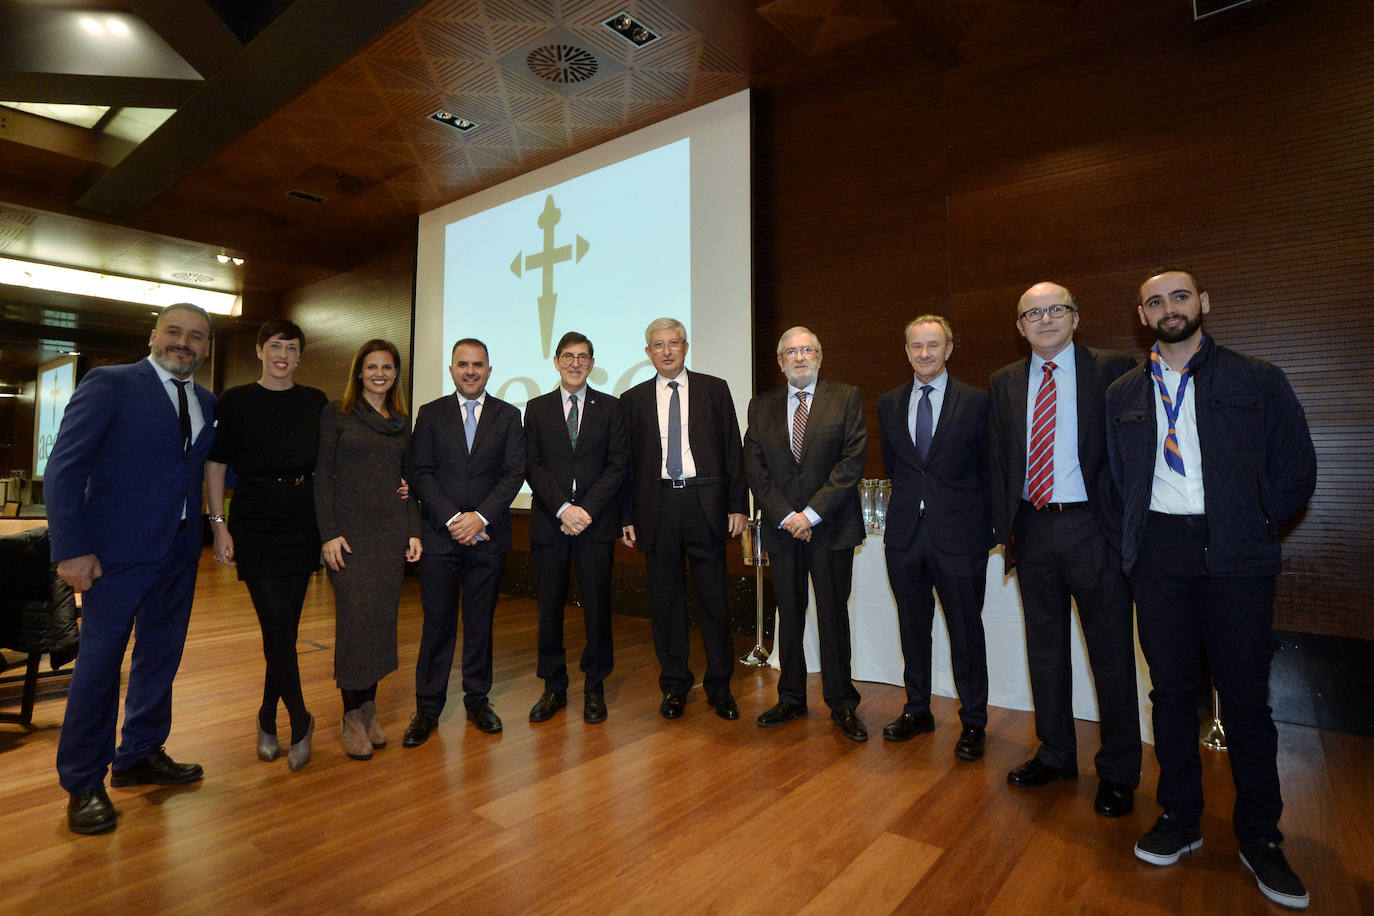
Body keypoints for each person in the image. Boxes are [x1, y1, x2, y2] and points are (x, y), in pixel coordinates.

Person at [1107, 269, 1315, 910]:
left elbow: (1295, 467)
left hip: (1238, 557)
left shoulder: (1258, 379)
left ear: (1203, 304)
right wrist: (1137, 545)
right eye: (1155, 302)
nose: (1168, 309)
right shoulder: (1121, 393)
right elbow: (1117, 479)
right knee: (1169, 694)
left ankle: (1260, 837)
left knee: (1247, 701)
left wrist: (1251, 521)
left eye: (1179, 297)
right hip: (1160, 557)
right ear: (1142, 315)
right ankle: (1180, 817)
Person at [45, 303, 215, 835]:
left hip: (179, 554)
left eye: (195, 337)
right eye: (174, 332)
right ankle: (82, 782)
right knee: (98, 668)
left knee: (159, 660)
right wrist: (70, 548)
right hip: (112, 557)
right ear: (153, 335)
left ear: (206, 347)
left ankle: (140, 753)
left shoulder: (208, 402)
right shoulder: (109, 383)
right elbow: (65, 467)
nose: (183, 343)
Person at [987, 282, 1141, 817]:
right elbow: (999, 462)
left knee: (1112, 655)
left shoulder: (1115, 368)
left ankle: (1119, 771)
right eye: (1033, 313)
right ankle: (1055, 753)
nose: (1045, 319)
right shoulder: (1004, 381)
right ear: (1020, 325)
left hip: (1093, 529)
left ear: (1075, 317)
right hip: (1032, 530)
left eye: (1055, 310)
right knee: (1045, 649)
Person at [205, 319, 327, 771]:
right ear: (259, 350)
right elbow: (215, 466)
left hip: (301, 518)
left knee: (284, 630)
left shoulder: (315, 402)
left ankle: (266, 717)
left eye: (292, 348)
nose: (283, 355)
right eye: (275, 345)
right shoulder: (235, 401)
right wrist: (219, 525)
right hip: (254, 518)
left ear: (300, 357)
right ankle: (299, 717)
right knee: (274, 624)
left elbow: (334, 462)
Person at [620, 318, 748, 721]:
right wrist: (627, 516)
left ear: (686, 347)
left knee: (714, 599)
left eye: (673, 343)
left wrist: (738, 505)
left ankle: (720, 686)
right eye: (658, 345)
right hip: (656, 508)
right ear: (648, 353)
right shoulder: (632, 399)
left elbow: (733, 448)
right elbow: (626, 465)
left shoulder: (714, 388)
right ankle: (674, 685)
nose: (667, 351)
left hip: (705, 505)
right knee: (666, 603)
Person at [744, 327, 868, 741]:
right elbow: (755, 469)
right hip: (782, 531)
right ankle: (791, 697)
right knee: (790, 617)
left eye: (807, 350)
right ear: (780, 362)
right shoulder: (760, 407)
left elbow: (851, 463)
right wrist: (786, 516)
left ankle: (842, 703)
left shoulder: (846, 397)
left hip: (831, 528)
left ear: (819, 356)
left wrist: (811, 514)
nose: (799, 357)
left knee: (833, 618)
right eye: (790, 352)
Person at [877, 315, 991, 759]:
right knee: (912, 627)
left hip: (960, 536)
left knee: (966, 631)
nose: (924, 353)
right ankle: (917, 709)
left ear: (948, 348)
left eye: (933, 345)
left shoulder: (977, 401)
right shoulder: (889, 403)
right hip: (905, 535)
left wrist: (988, 530)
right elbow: (895, 467)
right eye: (916, 346)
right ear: (906, 351)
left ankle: (974, 721)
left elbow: (988, 468)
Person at [402, 338, 524, 744]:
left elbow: (513, 474)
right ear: (451, 370)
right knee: (436, 624)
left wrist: (479, 518)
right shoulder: (431, 414)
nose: (470, 371)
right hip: (441, 537)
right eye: (462, 364)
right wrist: (455, 519)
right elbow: (420, 471)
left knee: (479, 625)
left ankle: (477, 700)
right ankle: (427, 707)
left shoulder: (509, 416)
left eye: (478, 364)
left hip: (488, 537)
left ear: (490, 370)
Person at [315, 339, 421, 760]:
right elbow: (322, 475)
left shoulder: (400, 420)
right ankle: (350, 715)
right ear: (359, 371)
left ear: (396, 374)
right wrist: (328, 534)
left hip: (389, 535)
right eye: (372, 366)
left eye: (388, 367)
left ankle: (369, 706)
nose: (380, 373)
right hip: (350, 537)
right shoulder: (336, 413)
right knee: (355, 625)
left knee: (380, 624)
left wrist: (413, 531)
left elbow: (408, 483)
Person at [524, 331, 628, 724]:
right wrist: (563, 508)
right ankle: (553, 687)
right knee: (549, 608)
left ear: (592, 363)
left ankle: (595, 687)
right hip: (550, 524)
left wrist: (585, 510)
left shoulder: (611, 408)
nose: (575, 363)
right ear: (555, 361)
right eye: (568, 356)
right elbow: (532, 465)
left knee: (597, 608)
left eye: (583, 357)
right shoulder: (535, 408)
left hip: (595, 524)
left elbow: (618, 465)